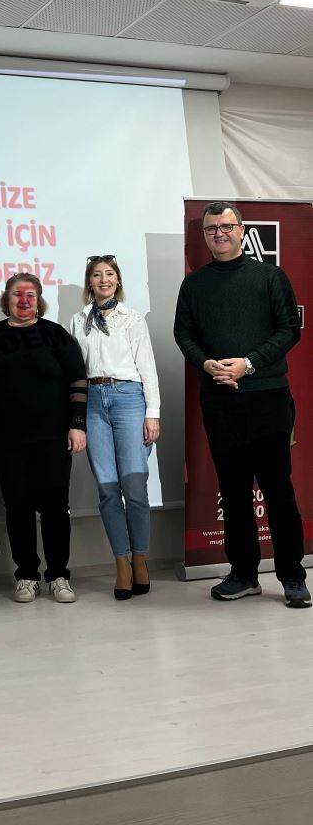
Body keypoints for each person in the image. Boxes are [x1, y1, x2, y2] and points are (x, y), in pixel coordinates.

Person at [174, 201, 309, 608]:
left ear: (241, 229)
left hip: (267, 398)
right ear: (205, 235)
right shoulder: (194, 285)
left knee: (278, 491)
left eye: (226, 226)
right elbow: (184, 335)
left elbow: (289, 329)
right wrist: (206, 362)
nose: (219, 234)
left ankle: (291, 577)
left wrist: (248, 364)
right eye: (211, 228)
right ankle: (244, 574)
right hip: (220, 401)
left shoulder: (269, 276)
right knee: (232, 493)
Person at [0, 274, 87, 604]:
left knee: (56, 508)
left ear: (39, 299)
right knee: (18, 507)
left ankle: (58, 575)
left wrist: (77, 425)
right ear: (6, 300)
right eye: (16, 294)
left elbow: (78, 380)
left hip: (53, 437)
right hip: (8, 438)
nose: (24, 300)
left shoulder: (55, 334)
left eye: (30, 294)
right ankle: (26, 575)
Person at [69, 256, 160, 600]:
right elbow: (76, 370)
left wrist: (153, 413)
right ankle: (121, 564)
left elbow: (147, 367)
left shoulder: (132, 319)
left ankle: (140, 560)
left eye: (109, 274)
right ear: (89, 282)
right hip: (93, 400)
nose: (103, 279)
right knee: (108, 490)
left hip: (128, 398)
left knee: (133, 487)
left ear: (118, 281)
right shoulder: (78, 321)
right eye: (96, 275)